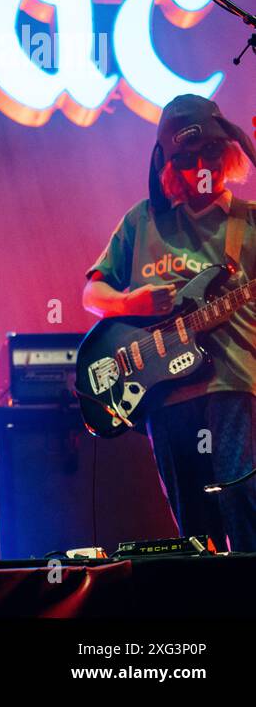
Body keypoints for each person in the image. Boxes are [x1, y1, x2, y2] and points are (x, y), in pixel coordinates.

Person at [82, 94, 256, 551]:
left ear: (230, 152)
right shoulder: (142, 222)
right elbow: (91, 294)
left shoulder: (251, 223)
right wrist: (130, 303)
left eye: (212, 154)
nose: (202, 167)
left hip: (232, 385)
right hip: (165, 395)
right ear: (167, 164)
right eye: (187, 159)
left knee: (243, 505)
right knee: (194, 529)